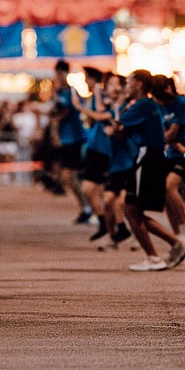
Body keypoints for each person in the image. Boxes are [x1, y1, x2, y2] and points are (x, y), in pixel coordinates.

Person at [111, 69, 185, 271]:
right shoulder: (148, 106)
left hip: (147, 158)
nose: (126, 86)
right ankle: (173, 245)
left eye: (129, 83)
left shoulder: (143, 105)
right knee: (133, 211)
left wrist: (119, 104)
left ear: (138, 85)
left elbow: (117, 125)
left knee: (131, 209)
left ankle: (160, 253)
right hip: (151, 158)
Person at [74, 70, 133, 245]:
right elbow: (100, 113)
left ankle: (124, 232)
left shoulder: (127, 107)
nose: (112, 88)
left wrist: (79, 106)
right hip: (114, 160)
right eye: (109, 84)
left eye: (116, 84)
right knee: (108, 200)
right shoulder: (112, 105)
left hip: (126, 161)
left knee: (123, 203)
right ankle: (113, 231)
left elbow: (102, 115)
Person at [150, 74, 185, 251]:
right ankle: (179, 236)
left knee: (169, 186)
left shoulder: (182, 103)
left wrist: (160, 140)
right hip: (172, 153)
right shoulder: (157, 105)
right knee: (165, 195)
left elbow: (171, 132)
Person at [50, 59, 91, 223]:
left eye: (60, 73)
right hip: (67, 139)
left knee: (70, 174)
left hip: (75, 138)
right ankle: (86, 207)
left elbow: (64, 112)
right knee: (69, 175)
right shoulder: (59, 92)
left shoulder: (71, 92)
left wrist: (55, 124)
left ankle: (88, 207)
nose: (58, 76)